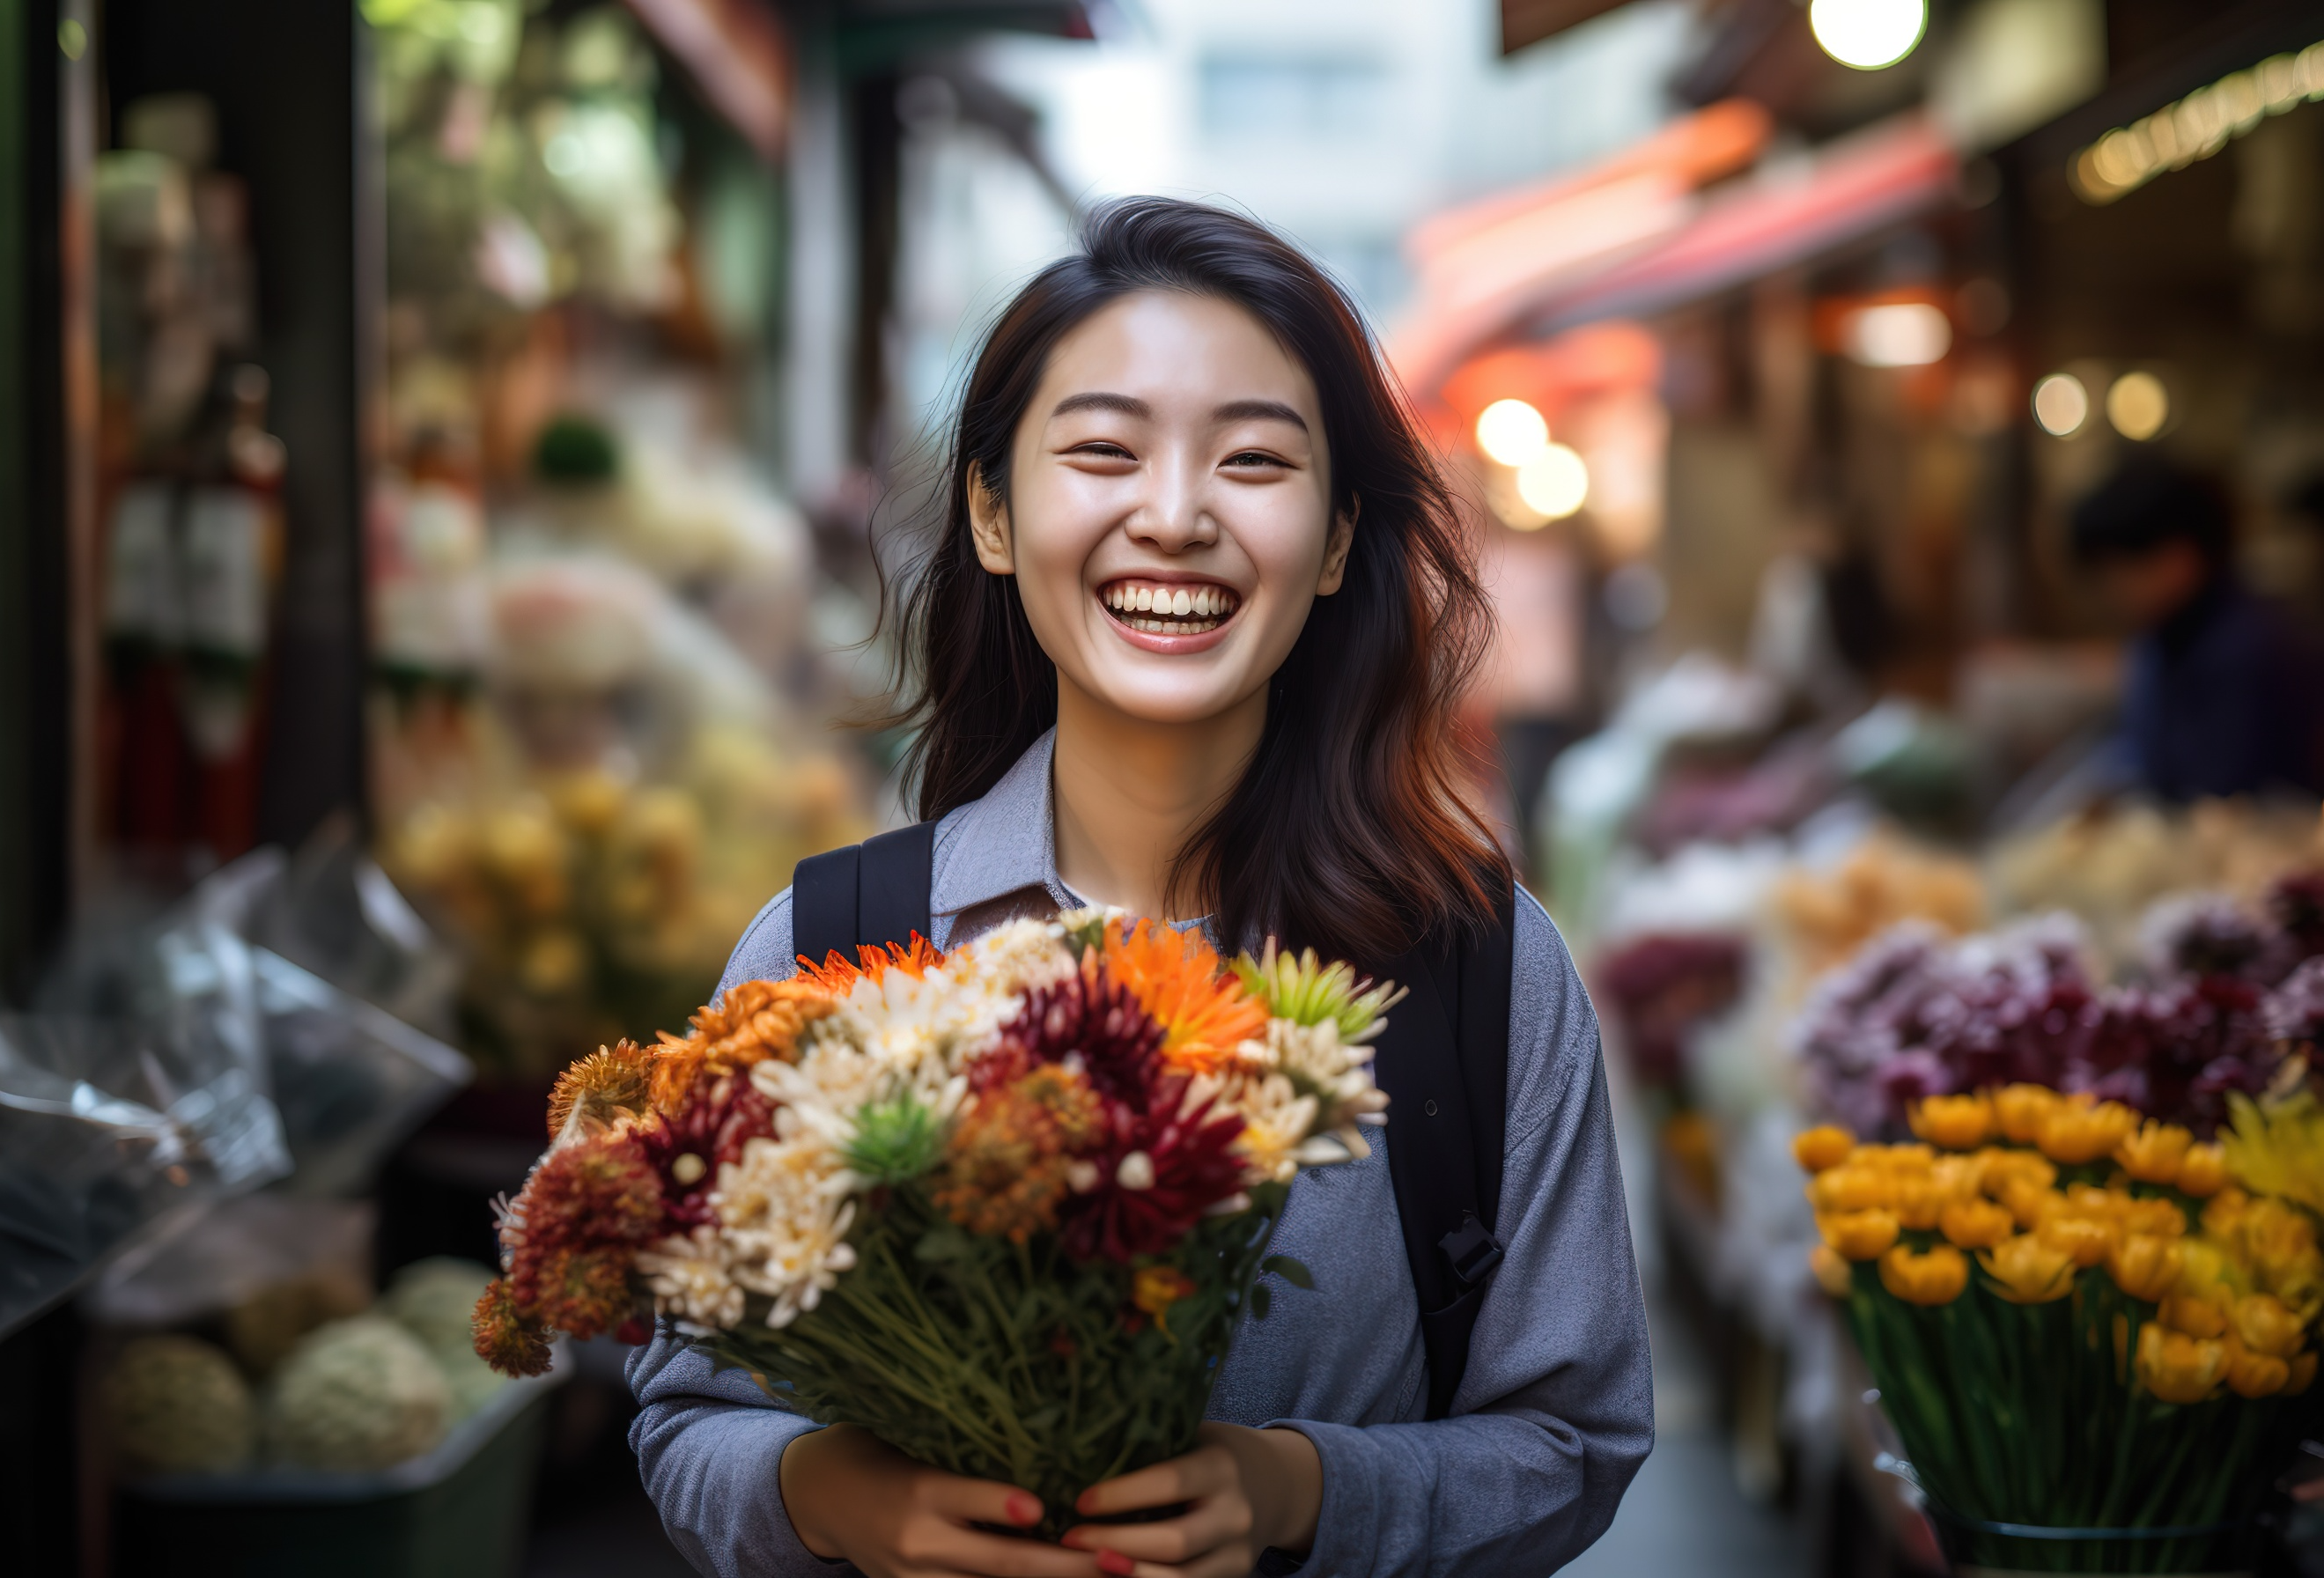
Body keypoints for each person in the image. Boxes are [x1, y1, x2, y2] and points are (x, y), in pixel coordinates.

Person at [627, 197, 1652, 1578]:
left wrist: (1301, 1492)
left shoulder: (1478, 969)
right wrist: (836, 1497)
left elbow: (1575, 1439)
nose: (1173, 520)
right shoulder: (827, 953)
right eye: (1103, 453)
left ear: (1340, 539)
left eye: (1253, 462)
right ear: (992, 512)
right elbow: (687, 1415)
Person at [2070, 453, 2324, 801]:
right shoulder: (2161, 637)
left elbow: (2225, 794)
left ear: (2178, 558)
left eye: (2116, 570)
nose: (2107, 591)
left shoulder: (2250, 648)